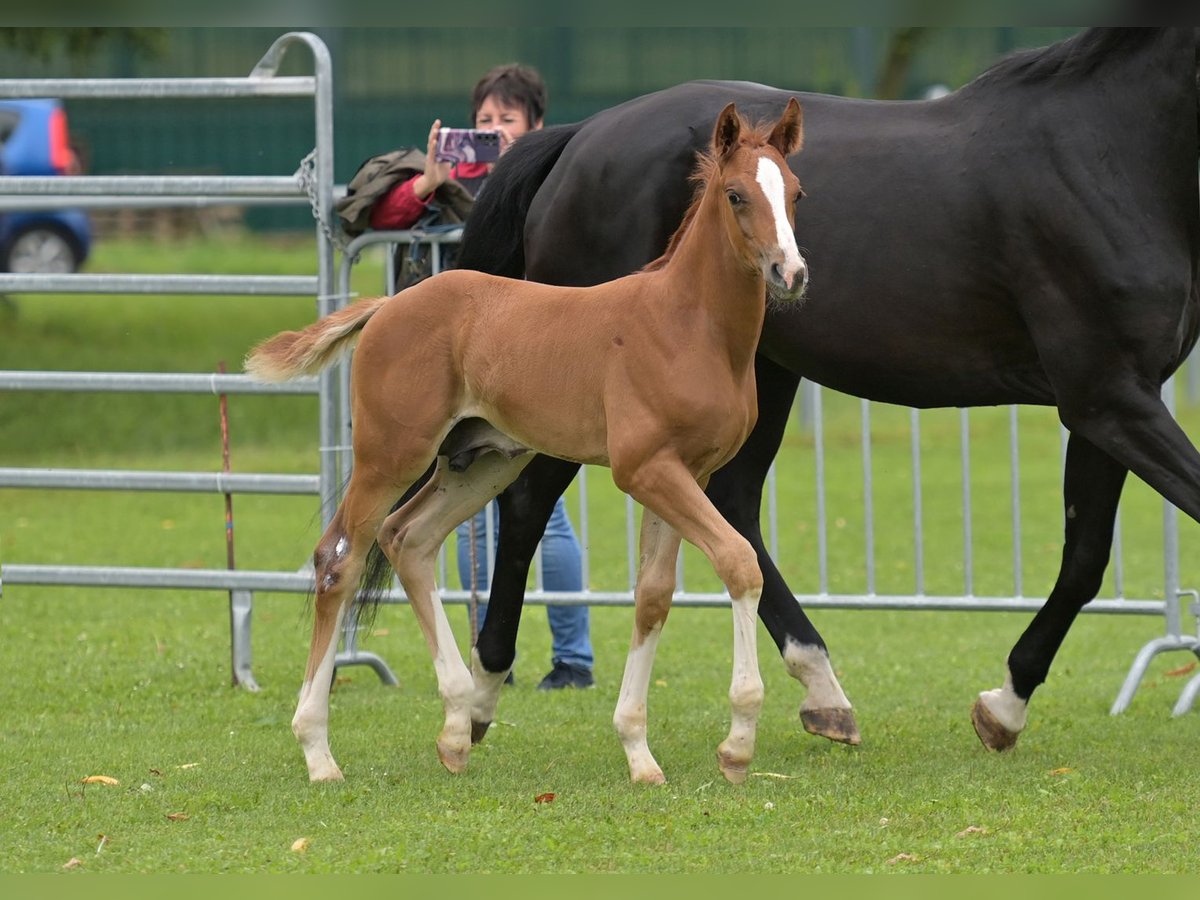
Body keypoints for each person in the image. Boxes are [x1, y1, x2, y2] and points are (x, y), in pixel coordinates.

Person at [369, 63, 594, 691]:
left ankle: (573, 657)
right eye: (485, 122)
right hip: (462, 378)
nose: (493, 131)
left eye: (507, 121)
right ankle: (489, 654)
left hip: (529, 373)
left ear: (538, 127)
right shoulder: (445, 188)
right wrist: (429, 184)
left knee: (545, 517)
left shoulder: (552, 191)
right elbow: (376, 220)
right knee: (471, 515)